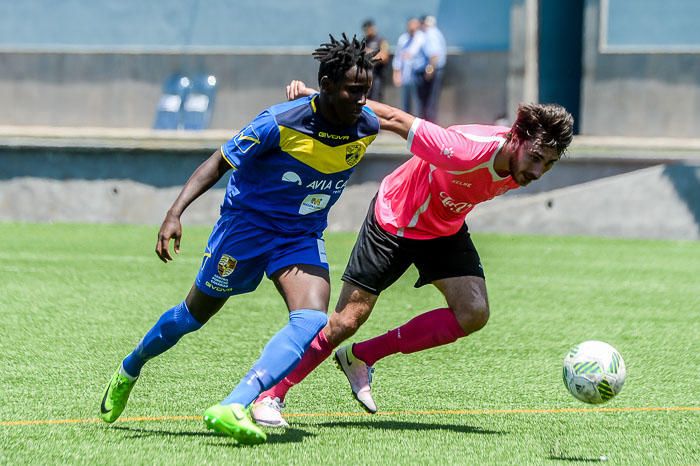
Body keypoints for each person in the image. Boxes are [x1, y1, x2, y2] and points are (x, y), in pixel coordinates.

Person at [98, 35, 380, 445]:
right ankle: (130, 366)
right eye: (353, 91)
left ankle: (235, 402)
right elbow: (218, 162)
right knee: (191, 317)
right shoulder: (279, 122)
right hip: (246, 229)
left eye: (366, 92)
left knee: (312, 318)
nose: (361, 100)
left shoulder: (366, 127)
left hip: (299, 235)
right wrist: (174, 213)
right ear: (325, 84)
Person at [251, 79, 574, 427]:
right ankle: (270, 394)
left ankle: (361, 358)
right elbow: (392, 118)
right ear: (515, 137)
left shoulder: (520, 166)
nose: (538, 172)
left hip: (444, 227)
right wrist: (321, 101)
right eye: (536, 158)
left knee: (473, 312)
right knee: (346, 321)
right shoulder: (462, 149)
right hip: (396, 219)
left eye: (549, 164)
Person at [416, 15, 447, 123]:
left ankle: (430, 125)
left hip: (433, 70)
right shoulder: (435, 33)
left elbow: (434, 54)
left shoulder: (430, 34)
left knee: (430, 101)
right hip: (435, 69)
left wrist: (430, 69)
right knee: (429, 101)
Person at [392, 17, 425, 114]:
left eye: (414, 25)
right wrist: (396, 74)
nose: (412, 27)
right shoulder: (403, 39)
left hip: (418, 74)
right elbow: (398, 58)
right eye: (410, 25)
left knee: (418, 101)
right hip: (406, 75)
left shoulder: (421, 37)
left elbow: (415, 53)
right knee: (406, 102)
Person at [362, 19, 390, 102]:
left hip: (378, 76)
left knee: (376, 99)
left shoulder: (381, 40)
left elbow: (385, 57)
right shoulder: (364, 41)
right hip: (366, 76)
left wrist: (370, 54)